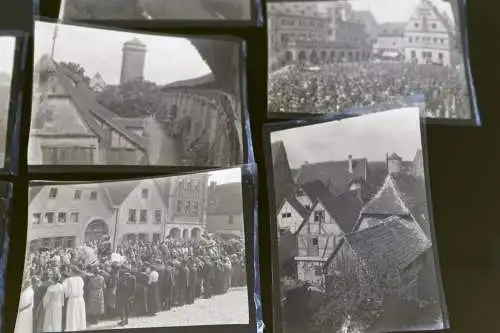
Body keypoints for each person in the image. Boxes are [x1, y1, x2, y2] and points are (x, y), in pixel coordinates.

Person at [62, 267, 86, 331]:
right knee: (79, 314)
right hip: (80, 298)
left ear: (72, 272)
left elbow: (64, 289)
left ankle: (72, 328)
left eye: (69, 271)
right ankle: (80, 327)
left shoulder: (68, 280)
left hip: (73, 299)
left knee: (73, 315)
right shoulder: (80, 279)